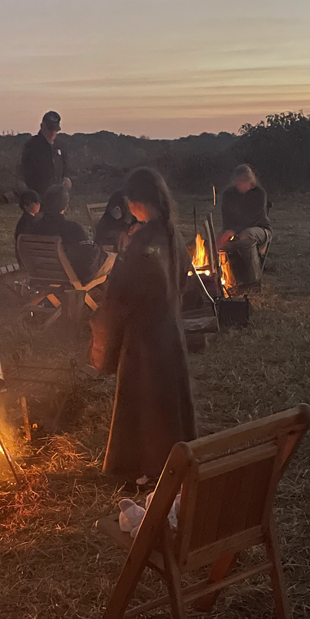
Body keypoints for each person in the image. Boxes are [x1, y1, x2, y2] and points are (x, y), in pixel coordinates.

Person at [91, 168, 195, 484]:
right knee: (169, 400)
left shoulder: (143, 242)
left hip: (144, 339)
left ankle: (144, 466)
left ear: (137, 202)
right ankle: (175, 457)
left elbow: (121, 292)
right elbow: (181, 278)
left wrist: (103, 330)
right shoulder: (171, 234)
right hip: (170, 331)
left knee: (146, 404)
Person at [33, 184, 106, 283]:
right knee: (112, 260)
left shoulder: (34, 227)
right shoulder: (71, 228)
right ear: (66, 205)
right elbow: (88, 256)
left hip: (41, 274)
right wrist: (97, 248)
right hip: (69, 276)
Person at [216, 164, 271, 291]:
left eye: (244, 181)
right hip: (235, 229)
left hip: (259, 228)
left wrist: (233, 231)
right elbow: (226, 217)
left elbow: (254, 219)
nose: (241, 184)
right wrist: (226, 232)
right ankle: (224, 278)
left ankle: (253, 280)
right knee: (217, 240)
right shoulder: (229, 194)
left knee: (246, 235)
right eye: (239, 181)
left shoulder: (259, 193)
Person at [18, 111, 70, 199]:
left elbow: (65, 165)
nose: (52, 133)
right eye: (50, 130)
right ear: (42, 126)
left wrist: (66, 178)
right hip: (39, 195)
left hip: (57, 195)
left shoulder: (59, 145)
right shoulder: (32, 145)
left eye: (55, 130)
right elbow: (24, 169)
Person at [14, 189, 41, 259]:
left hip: (24, 259)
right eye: (35, 202)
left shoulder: (22, 221)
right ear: (25, 205)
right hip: (34, 258)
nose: (38, 204)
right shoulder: (31, 223)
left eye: (38, 201)